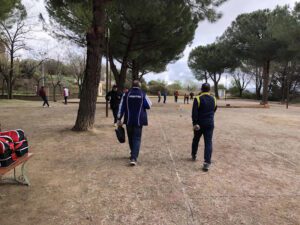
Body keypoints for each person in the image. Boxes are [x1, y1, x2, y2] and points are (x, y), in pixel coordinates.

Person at [117, 80, 152, 166]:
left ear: (131, 86)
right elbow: (149, 105)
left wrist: (118, 118)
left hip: (128, 119)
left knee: (130, 137)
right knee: (137, 138)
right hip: (139, 120)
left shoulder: (126, 94)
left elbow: (121, 106)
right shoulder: (143, 94)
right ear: (139, 86)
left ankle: (133, 153)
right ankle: (133, 157)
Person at [191, 83, 217, 172]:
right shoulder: (214, 98)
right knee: (208, 142)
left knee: (196, 139)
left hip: (199, 124)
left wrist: (195, 123)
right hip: (210, 123)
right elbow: (214, 109)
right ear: (209, 89)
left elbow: (194, 112)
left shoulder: (197, 98)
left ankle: (194, 154)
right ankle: (207, 162)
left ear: (201, 89)